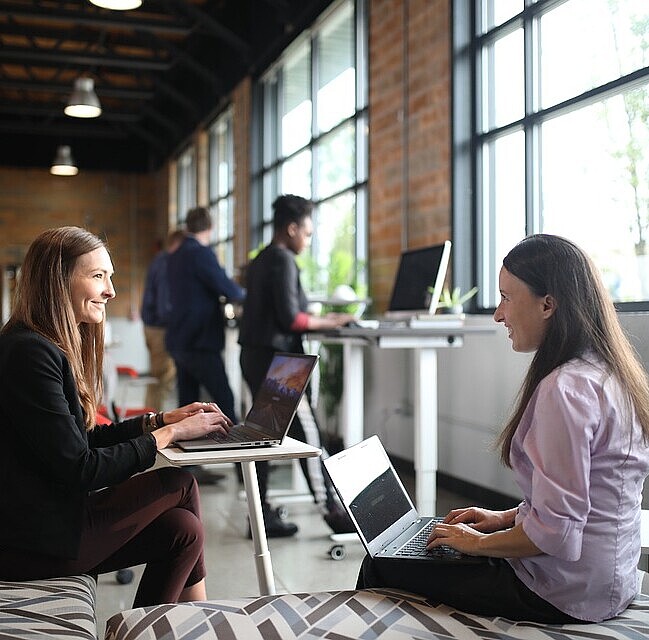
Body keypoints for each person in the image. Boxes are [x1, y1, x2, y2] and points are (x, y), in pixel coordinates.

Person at [357, 234, 649, 623]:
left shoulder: (565, 390)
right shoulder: (609, 373)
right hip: (610, 579)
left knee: (380, 564)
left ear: (548, 304)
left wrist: (479, 545)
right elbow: (579, 500)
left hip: (563, 591)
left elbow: (559, 534)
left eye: (506, 298)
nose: (498, 314)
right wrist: (504, 518)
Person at [0, 226, 233, 607]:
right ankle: (201, 622)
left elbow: (81, 441)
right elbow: (82, 468)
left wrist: (159, 420)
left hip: (42, 527)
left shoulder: (36, 346)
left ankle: (159, 630)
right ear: (58, 281)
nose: (111, 291)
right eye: (98, 276)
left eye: (110, 277)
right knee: (180, 484)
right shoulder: (29, 354)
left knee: (183, 529)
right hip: (29, 543)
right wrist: (169, 435)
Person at [238, 194, 356, 537]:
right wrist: (330, 321)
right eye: (306, 232)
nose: (308, 239)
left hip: (256, 355)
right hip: (278, 362)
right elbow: (291, 317)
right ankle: (331, 510)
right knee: (309, 434)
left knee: (262, 437)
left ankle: (259, 517)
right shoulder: (283, 259)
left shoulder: (261, 259)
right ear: (291, 229)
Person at [165, 207, 245, 422]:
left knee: (188, 405)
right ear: (211, 228)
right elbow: (228, 288)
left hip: (179, 338)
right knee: (224, 401)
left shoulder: (175, 255)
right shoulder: (200, 252)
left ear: (187, 227)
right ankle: (240, 454)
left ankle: (187, 451)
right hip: (200, 340)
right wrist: (247, 294)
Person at [141, 229, 185, 410]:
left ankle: (150, 417)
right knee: (163, 378)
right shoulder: (167, 262)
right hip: (160, 328)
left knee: (157, 377)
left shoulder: (158, 260)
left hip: (151, 326)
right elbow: (164, 302)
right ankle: (153, 422)